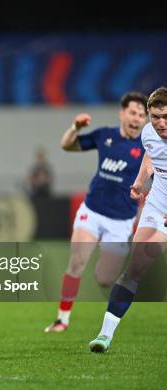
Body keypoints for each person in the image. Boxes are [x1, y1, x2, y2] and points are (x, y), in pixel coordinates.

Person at [45, 91, 148, 333]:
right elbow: (67, 145)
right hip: (92, 211)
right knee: (77, 262)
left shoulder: (148, 147)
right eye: (133, 112)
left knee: (104, 278)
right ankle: (62, 319)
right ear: (122, 113)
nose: (136, 119)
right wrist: (75, 127)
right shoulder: (105, 136)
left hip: (121, 220)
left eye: (141, 115)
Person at [89, 87, 167, 352]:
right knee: (136, 267)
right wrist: (139, 181)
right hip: (157, 205)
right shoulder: (148, 133)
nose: (161, 123)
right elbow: (150, 154)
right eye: (155, 117)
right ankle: (105, 335)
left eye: (166, 117)